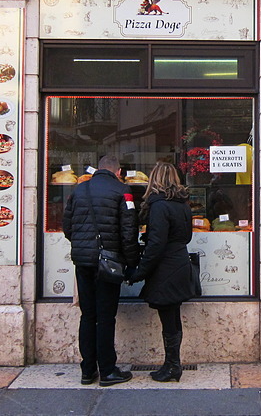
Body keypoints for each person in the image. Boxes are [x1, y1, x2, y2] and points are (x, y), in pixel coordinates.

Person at [63, 154, 139, 387]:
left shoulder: (79, 190)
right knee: (106, 317)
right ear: (118, 172)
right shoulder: (123, 191)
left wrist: (83, 246)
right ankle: (107, 370)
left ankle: (87, 370)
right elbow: (129, 231)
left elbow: (68, 226)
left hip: (83, 261)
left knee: (88, 315)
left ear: (98, 170)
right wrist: (131, 262)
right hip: (108, 263)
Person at [127, 162, 199, 382]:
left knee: (168, 317)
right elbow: (186, 237)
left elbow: (156, 244)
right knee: (172, 316)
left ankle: (172, 366)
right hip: (179, 262)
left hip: (165, 267)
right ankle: (171, 364)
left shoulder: (159, 206)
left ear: (154, 179)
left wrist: (139, 272)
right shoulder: (183, 204)